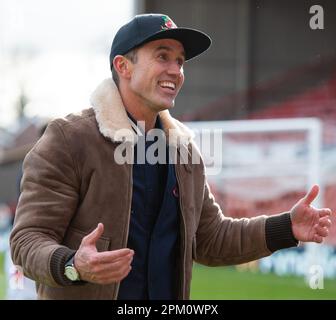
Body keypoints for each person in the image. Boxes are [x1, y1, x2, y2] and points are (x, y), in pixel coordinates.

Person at [10, 13, 332, 300]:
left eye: (180, 61)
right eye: (162, 56)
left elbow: (211, 237)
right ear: (123, 66)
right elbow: (27, 239)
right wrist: (73, 266)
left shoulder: (185, 152)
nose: (175, 70)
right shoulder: (69, 139)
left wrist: (286, 228)